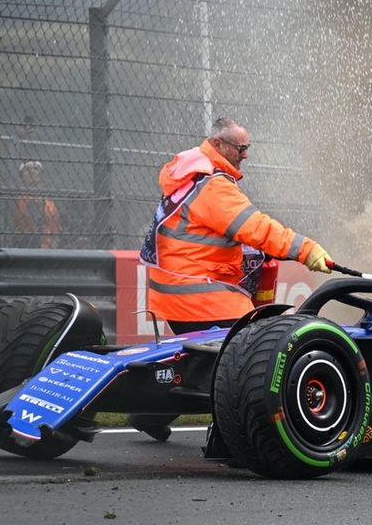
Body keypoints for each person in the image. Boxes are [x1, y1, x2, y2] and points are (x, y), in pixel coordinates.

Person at [132, 117, 335, 441]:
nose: (246, 155)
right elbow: (256, 227)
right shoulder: (213, 187)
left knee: (204, 363)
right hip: (198, 294)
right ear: (218, 145)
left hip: (178, 292)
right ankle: (231, 437)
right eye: (241, 148)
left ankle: (148, 413)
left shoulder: (191, 177)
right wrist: (307, 250)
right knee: (253, 354)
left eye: (247, 148)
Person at [12, 161, 62, 248]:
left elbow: (56, 230)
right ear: (22, 177)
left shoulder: (49, 203)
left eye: (36, 169)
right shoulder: (19, 200)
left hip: (46, 247)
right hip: (25, 246)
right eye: (27, 170)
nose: (32, 172)